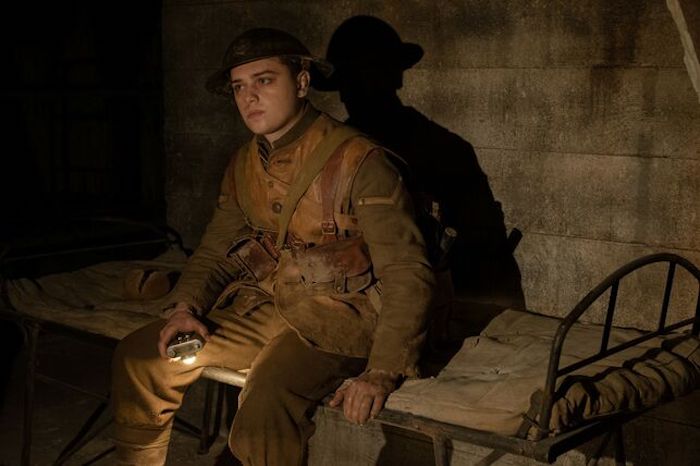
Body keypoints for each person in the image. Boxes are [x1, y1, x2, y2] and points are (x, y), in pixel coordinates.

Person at [110, 27, 434, 466]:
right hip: (265, 304)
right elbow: (215, 248)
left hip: (338, 318)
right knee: (142, 357)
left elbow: (406, 270)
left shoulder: (360, 161)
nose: (250, 97)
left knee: (266, 399)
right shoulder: (244, 164)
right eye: (239, 87)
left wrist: (382, 370)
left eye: (264, 80)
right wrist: (185, 307)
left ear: (301, 82)